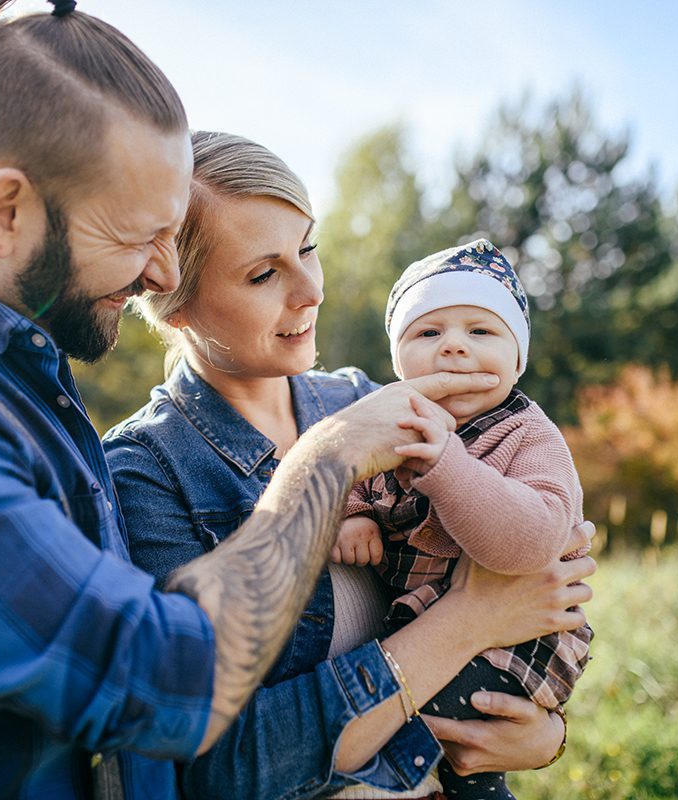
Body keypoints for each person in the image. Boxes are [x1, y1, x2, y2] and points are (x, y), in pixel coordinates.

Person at [0, 3, 545, 798]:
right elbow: (165, 686)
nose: (159, 278)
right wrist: (327, 460)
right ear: (6, 211)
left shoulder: (20, 382)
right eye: (133, 236)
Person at [103, 131, 596, 799]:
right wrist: (469, 620)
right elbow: (212, 770)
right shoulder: (145, 475)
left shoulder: (372, 398)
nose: (310, 290)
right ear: (172, 297)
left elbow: (548, 562)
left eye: (308, 248)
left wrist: (544, 733)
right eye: (264, 273)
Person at [335, 239, 593, 798]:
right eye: (428, 333)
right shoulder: (391, 418)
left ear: (518, 358)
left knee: (429, 728)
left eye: (481, 331)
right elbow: (352, 475)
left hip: (514, 640)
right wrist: (355, 515)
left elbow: (529, 548)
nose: (453, 348)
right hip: (430, 627)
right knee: (429, 749)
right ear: (398, 358)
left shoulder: (527, 435)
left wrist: (447, 465)